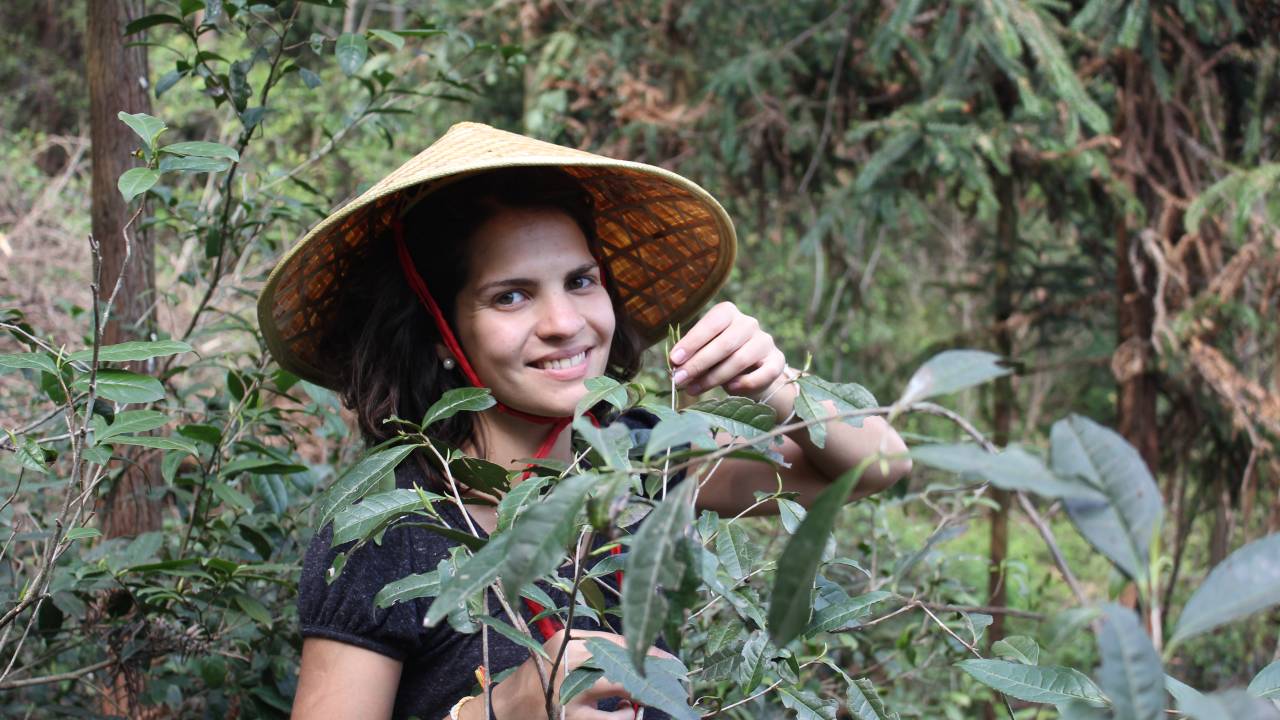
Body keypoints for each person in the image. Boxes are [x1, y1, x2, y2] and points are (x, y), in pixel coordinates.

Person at [258, 122, 911, 720]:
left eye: (580, 281)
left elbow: (880, 466)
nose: (565, 324)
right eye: (510, 295)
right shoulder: (390, 527)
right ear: (439, 330)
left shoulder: (643, 455)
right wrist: (493, 713)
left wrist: (779, 386)